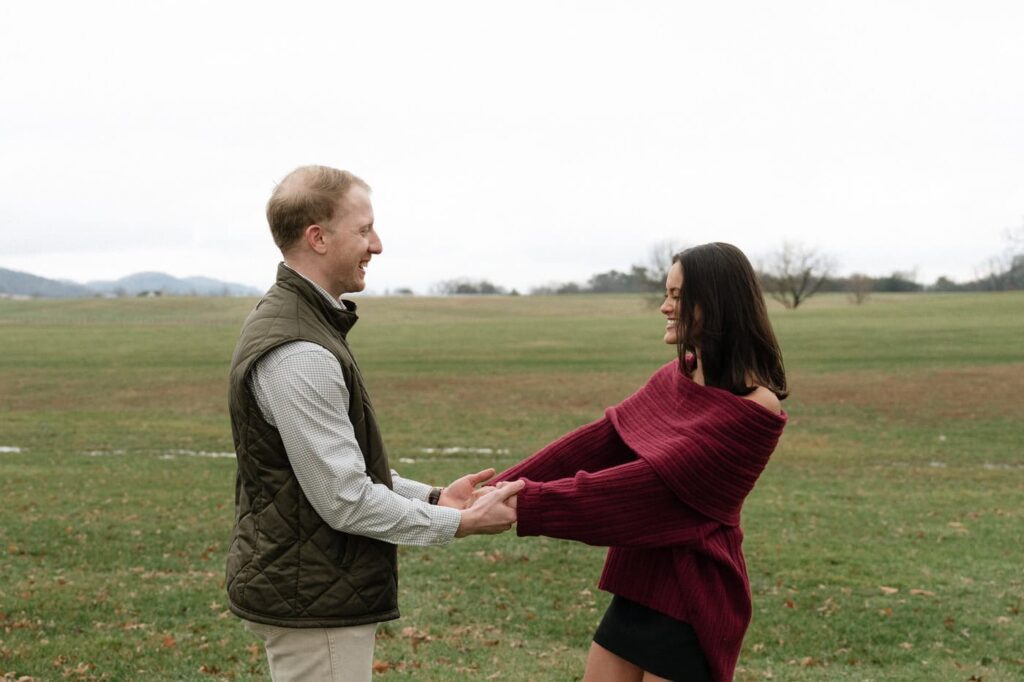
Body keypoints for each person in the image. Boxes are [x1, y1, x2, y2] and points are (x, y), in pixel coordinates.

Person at [225, 165, 523, 682]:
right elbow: (345, 497)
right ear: (317, 237)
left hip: (314, 587)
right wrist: (459, 523)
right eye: (363, 230)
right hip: (314, 599)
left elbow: (340, 472)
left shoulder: (306, 323)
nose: (377, 244)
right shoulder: (300, 350)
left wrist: (433, 498)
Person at [492, 242, 788, 682]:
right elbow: (603, 441)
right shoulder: (677, 375)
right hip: (641, 580)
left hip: (695, 596)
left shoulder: (755, 407)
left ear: (717, 301)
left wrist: (523, 503)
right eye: (666, 294)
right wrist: (497, 488)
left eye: (677, 296)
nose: (666, 307)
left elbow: (652, 491)